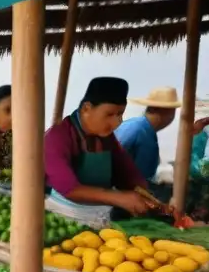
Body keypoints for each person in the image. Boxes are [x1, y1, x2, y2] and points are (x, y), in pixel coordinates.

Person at [44, 77, 158, 217]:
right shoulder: (57, 137)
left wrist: (147, 196)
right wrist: (119, 198)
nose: (117, 122)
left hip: (100, 215)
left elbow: (126, 172)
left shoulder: (106, 138)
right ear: (86, 109)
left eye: (120, 114)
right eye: (109, 114)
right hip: (62, 214)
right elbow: (69, 189)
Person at [114, 86, 182, 184]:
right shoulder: (146, 137)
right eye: (173, 111)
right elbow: (143, 181)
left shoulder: (133, 124)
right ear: (167, 112)